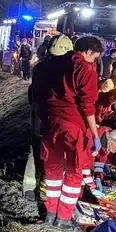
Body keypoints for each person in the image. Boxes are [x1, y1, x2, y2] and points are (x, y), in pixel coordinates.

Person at [38, 35, 103, 232]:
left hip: (50, 122)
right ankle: (63, 218)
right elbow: (88, 105)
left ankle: (50, 213)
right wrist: (95, 134)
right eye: (95, 57)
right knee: (74, 171)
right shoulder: (85, 68)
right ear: (88, 52)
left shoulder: (55, 63)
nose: (94, 61)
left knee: (53, 169)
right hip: (73, 125)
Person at [24, 34, 73, 202]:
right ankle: (49, 189)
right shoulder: (68, 69)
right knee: (54, 153)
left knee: (36, 149)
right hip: (55, 116)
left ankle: (30, 188)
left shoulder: (39, 67)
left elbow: (34, 94)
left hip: (39, 114)